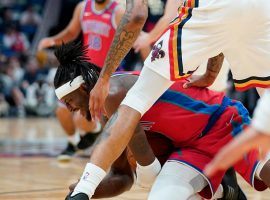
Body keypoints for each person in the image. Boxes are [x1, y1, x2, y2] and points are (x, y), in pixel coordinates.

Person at [72, 1, 270, 197]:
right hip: (258, 11)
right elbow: (223, 25)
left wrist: (104, 77)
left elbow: (137, 15)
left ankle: (84, 189)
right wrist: (211, 72)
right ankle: (223, 187)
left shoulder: (117, 91)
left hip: (221, 115)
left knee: (137, 98)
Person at [38, 0, 125, 160]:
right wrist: (51, 40)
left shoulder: (117, 11)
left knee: (81, 119)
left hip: (104, 73)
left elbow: (128, 40)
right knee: (62, 111)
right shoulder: (82, 7)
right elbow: (71, 33)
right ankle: (73, 143)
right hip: (81, 70)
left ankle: (95, 131)